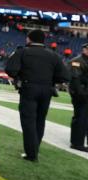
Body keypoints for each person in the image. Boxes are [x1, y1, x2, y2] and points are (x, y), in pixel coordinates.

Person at [5, 29, 68, 162]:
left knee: (28, 121)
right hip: (47, 90)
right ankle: (35, 148)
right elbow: (64, 76)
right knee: (40, 120)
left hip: (29, 88)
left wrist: (19, 78)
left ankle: (31, 153)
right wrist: (51, 81)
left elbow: (11, 69)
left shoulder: (23, 52)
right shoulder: (53, 55)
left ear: (29, 39)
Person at [66, 44, 88, 152]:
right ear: (84, 49)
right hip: (81, 94)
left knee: (84, 118)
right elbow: (75, 80)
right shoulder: (77, 61)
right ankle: (77, 143)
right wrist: (81, 94)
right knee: (80, 118)